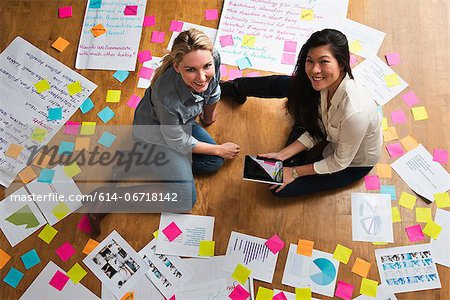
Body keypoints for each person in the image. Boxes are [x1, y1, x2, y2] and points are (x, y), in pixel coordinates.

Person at [87, 28, 240, 237]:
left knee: (214, 162)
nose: (202, 77)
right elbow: (178, 141)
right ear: (177, 67)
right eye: (191, 70)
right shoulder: (166, 98)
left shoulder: (212, 58)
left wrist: (207, 117)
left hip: (181, 125)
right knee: (186, 200)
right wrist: (219, 148)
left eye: (206, 67)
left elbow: (213, 91)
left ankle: (147, 162)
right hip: (155, 136)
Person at [221, 29, 382, 197]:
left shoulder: (355, 114)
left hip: (351, 164)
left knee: (280, 188)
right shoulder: (327, 85)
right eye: (309, 61)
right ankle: (233, 88)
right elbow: (321, 127)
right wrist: (282, 155)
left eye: (323, 62)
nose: (314, 70)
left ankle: (299, 130)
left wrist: (294, 172)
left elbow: (339, 162)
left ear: (342, 63)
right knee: (292, 87)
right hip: (331, 137)